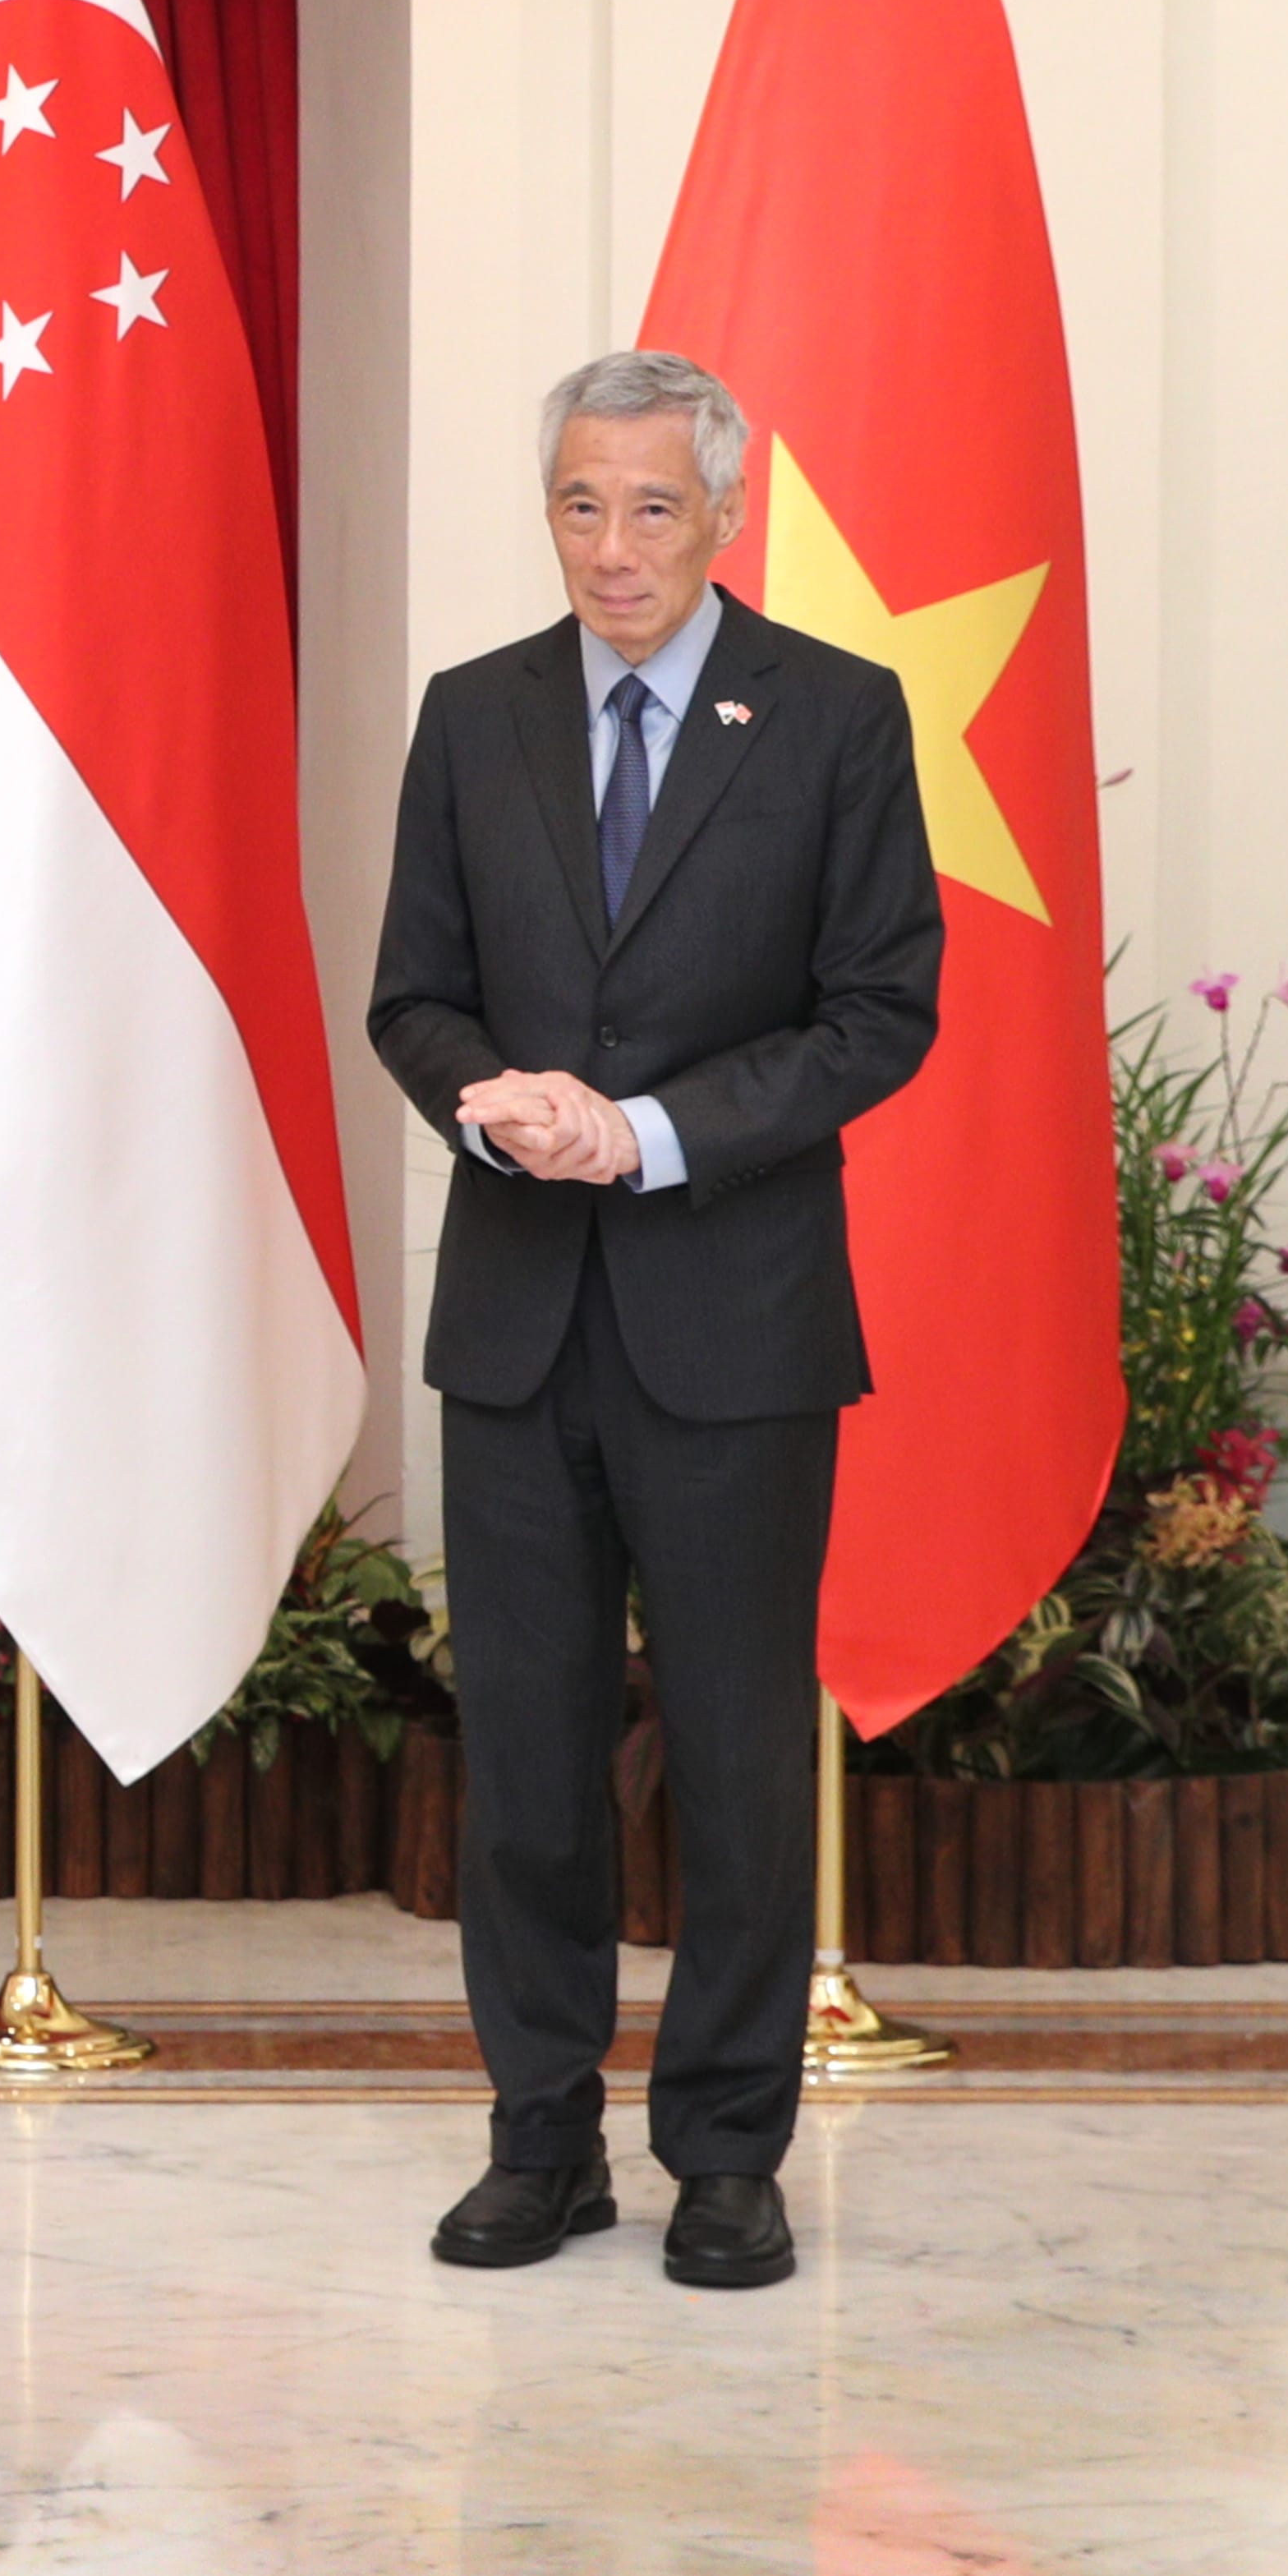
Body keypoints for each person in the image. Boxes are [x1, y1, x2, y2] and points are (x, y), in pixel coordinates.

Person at [368, 348, 943, 2293]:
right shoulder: (473, 717)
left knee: (736, 1751)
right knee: (523, 1758)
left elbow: (882, 1010)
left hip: (739, 1323)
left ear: (727, 510)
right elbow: (411, 994)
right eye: (579, 507)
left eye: (651, 509)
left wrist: (660, 1133)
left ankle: (724, 2150)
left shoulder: (840, 717)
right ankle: (542, 2142)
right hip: (520, 1323)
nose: (612, 548)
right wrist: (492, 1097)